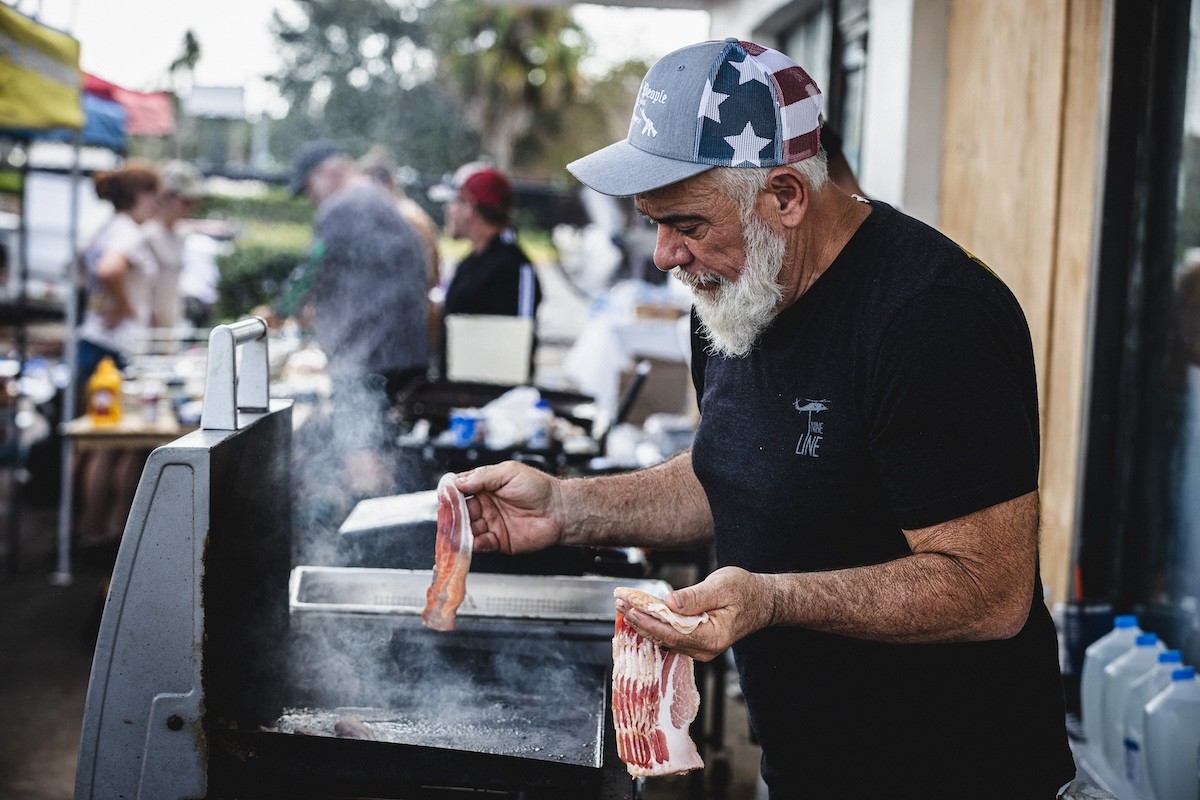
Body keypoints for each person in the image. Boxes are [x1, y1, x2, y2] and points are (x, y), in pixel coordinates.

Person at [451, 39, 1076, 798]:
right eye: (651, 221)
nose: (663, 255)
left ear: (785, 195)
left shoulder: (930, 317)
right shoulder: (736, 288)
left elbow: (989, 590)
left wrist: (773, 598)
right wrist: (567, 506)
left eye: (683, 221)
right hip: (805, 764)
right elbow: (735, 472)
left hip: (954, 773)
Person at [283, 141, 430, 558]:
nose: (311, 199)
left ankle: (370, 551)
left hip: (366, 355)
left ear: (326, 172)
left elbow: (312, 266)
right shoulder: (380, 200)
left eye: (308, 187)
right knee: (381, 448)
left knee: (360, 450)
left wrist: (279, 310)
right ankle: (390, 543)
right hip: (402, 351)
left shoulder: (343, 205)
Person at [72, 164, 161, 549]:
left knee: (93, 442)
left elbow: (83, 269)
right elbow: (109, 269)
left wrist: (101, 304)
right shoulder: (128, 232)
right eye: (155, 196)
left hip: (93, 340)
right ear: (141, 196)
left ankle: (84, 527)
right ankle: (115, 535)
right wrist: (125, 307)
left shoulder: (103, 228)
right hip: (119, 349)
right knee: (122, 445)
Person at [437, 163, 542, 379]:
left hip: (492, 403)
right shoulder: (469, 262)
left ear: (471, 207)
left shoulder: (515, 266)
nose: (448, 210)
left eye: (456, 201)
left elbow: (519, 348)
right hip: (457, 394)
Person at [358, 145, 443, 362]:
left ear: (387, 185)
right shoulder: (394, 218)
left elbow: (426, 278)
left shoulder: (408, 220)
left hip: (405, 337)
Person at [142, 160, 205, 343]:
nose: (191, 208)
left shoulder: (180, 235)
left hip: (171, 328)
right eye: (185, 202)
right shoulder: (147, 234)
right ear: (166, 197)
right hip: (146, 332)